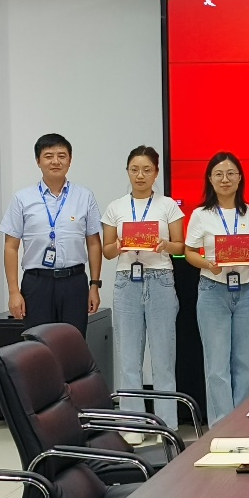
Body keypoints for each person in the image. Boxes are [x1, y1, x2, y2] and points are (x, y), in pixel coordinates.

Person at [101, 146, 185, 430]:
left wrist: (165, 245)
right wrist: (119, 245)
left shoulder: (168, 205)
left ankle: (167, 426)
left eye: (147, 170)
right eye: (134, 169)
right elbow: (107, 252)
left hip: (160, 279)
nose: (140, 175)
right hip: (127, 281)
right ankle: (132, 425)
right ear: (127, 171)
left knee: (163, 359)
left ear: (156, 173)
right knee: (129, 360)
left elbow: (180, 247)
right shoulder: (115, 207)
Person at [185, 152, 249, 426]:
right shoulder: (200, 214)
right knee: (217, 366)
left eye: (231, 173)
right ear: (210, 179)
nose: (225, 179)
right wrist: (207, 264)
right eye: (218, 174)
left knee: (244, 363)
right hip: (213, 290)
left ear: (240, 178)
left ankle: (241, 423)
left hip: (247, 291)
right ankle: (221, 425)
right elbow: (188, 252)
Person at [0, 133, 102, 336]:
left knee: (72, 344)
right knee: (37, 345)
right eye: (48, 156)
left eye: (62, 156)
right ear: (38, 161)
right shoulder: (22, 198)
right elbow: (10, 246)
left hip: (74, 282)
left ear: (70, 160)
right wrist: (13, 292)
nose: (56, 161)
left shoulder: (85, 196)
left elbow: (94, 243)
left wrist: (94, 285)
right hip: (37, 283)